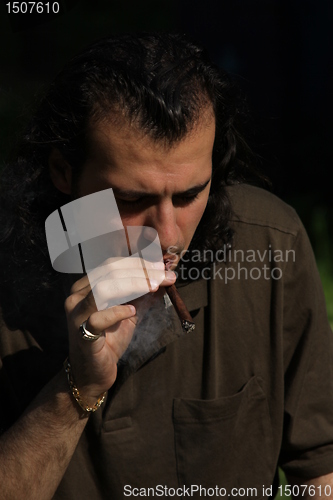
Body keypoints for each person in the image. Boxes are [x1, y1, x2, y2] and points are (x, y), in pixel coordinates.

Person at [0, 32, 332, 500]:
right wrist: (76, 391)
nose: (169, 236)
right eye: (132, 199)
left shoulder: (272, 242)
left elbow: (320, 473)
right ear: (62, 171)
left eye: (190, 194)